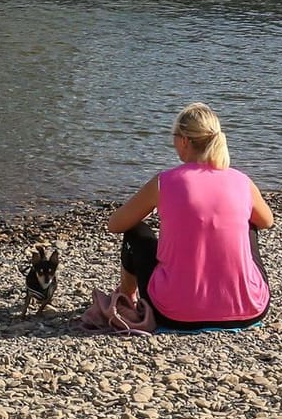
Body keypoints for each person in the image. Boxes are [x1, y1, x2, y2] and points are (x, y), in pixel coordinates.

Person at [104, 102, 273, 330]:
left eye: (174, 136)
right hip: (248, 310)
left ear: (184, 140)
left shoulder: (165, 182)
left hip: (173, 312)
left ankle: (127, 297)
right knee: (249, 222)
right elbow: (267, 221)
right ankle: (233, 290)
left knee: (136, 231)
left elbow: (115, 224)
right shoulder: (242, 181)